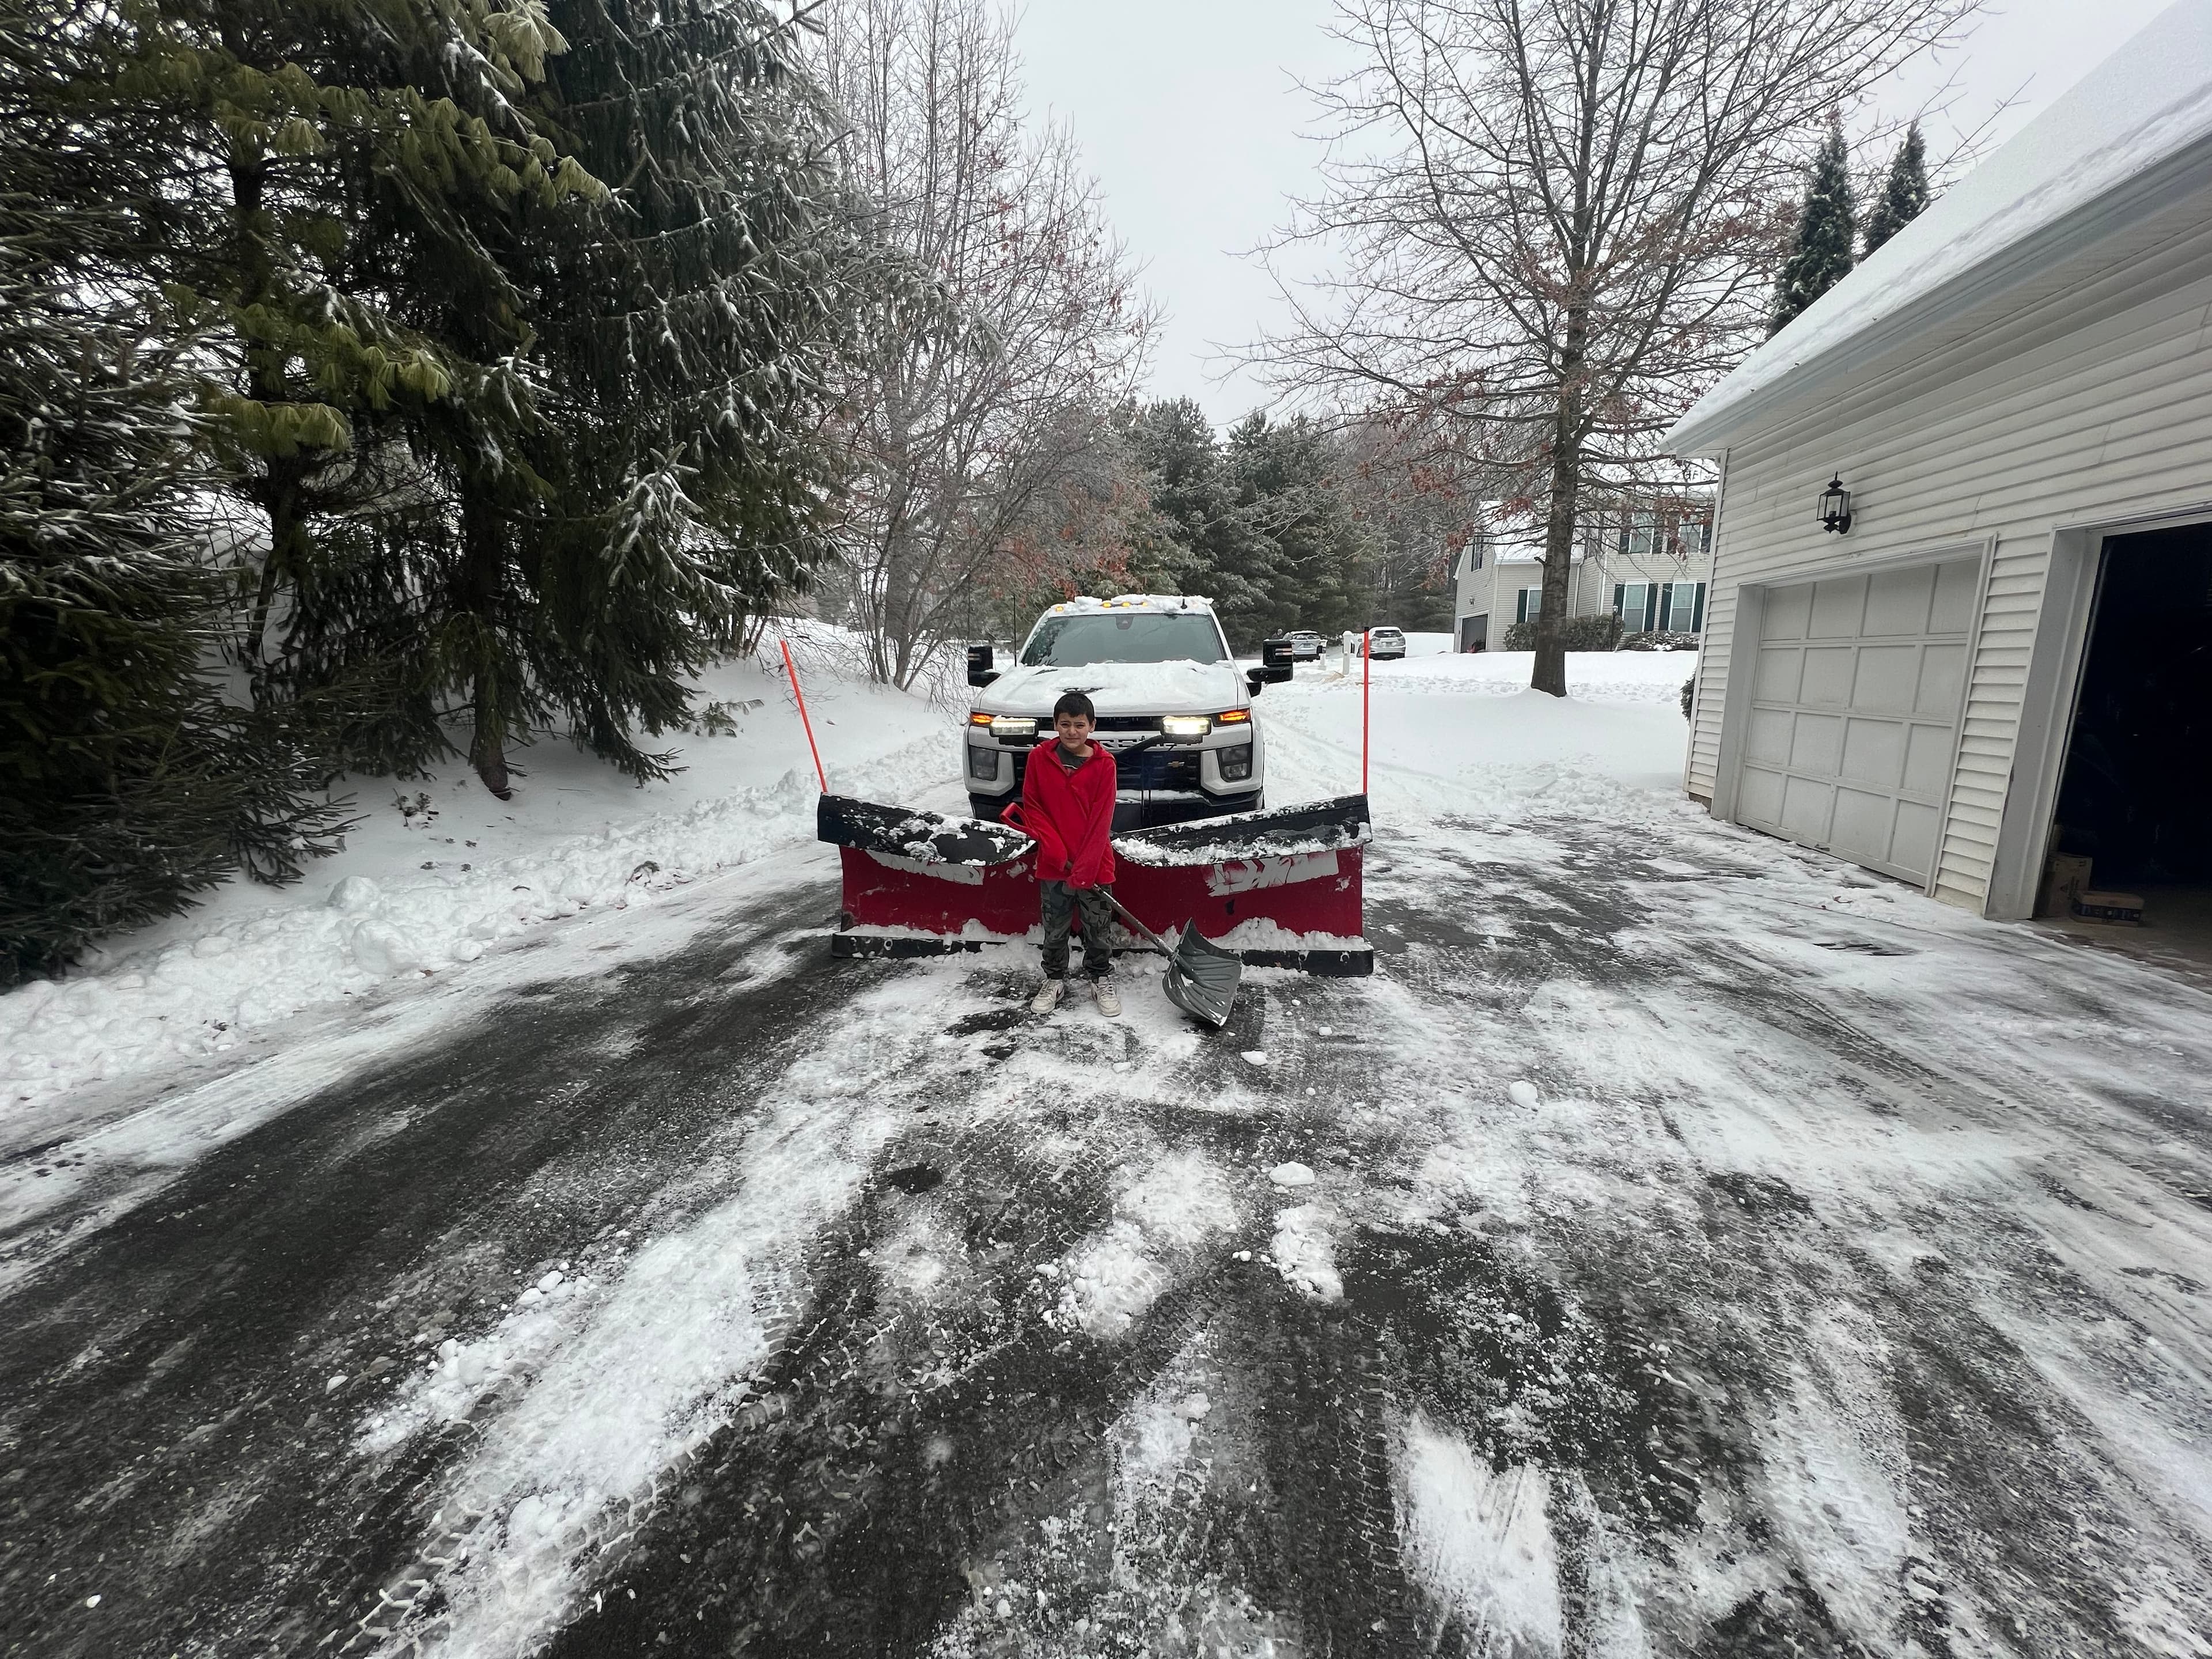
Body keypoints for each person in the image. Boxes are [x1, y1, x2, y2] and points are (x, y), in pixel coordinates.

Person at [1010, 691, 1122, 1017]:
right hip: (1054, 863)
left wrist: (1086, 866)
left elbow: (1102, 819)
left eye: (1079, 725)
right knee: (1055, 925)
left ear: (1092, 727)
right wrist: (1056, 850)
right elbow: (1034, 806)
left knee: (1098, 925)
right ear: (1055, 725)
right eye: (1065, 724)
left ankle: (1100, 977)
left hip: (1095, 862)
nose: (1072, 732)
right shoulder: (1038, 759)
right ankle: (1054, 978)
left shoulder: (1104, 765)